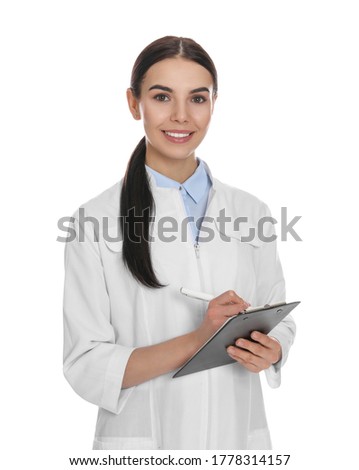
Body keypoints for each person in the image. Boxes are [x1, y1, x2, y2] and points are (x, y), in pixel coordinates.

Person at [63, 36, 296, 450]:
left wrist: (272, 351)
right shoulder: (95, 220)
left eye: (198, 99)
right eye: (162, 97)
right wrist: (198, 339)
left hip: (236, 444)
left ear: (214, 104)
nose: (181, 116)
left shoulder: (251, 211)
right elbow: (86, 363)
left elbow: (279, 316)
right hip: (142, 449)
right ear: (134, 104)